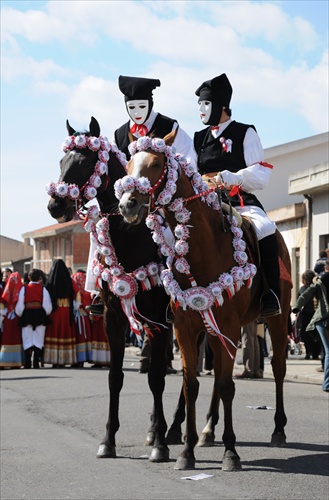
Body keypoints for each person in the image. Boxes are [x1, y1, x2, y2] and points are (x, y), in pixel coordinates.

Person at [193, 73, 280, 317]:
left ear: (221, 106)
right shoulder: (198, 138)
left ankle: (270, 293)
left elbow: (261, 173)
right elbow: (190, 170)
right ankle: (174, 298)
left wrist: (236, 177)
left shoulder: (245, 132)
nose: (200, 110)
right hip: (205, 201)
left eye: (205, 104)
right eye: (199, 105)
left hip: (238, 200)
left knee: (264, 228)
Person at [114, 75, 194, 160]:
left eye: (142, 106)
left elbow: (189, 157)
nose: (137, 112)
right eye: (131, 107)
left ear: (150, 104)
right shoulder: (118, 136)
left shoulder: (170, 127)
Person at [292, 259, 329, 392]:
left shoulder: (320, 281)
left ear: (326, 268)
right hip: (324, 319)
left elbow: (306, 294)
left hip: (322, 318)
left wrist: (296, 307)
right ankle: (327, 383)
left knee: (327, 350)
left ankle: (327, 383)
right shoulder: (321, 281)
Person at [15, 268, 52, 369]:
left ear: (28, 277)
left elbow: (20, 304)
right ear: (40, 277)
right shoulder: (43, 289)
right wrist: (45, 313)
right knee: (39, 338)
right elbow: (47, 305)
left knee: (27, 338)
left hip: (27, 314)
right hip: (39, 314)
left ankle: (28, 363)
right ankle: (36, 363)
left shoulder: (24, 288)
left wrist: (20, 313)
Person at [44, 259, 78, 368]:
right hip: (66, 309)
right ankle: (65, 359)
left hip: (54, 310)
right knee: (65, 332)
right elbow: (76, 294)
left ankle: (54, 360)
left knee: (54, 332)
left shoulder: (50, 281)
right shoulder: (69, 280)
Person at [295, 270, 321, 360]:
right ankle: (316, 353)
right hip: (316, 313)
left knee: (306, 334)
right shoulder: (317, 288)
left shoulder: (302, 289)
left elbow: (299, 301)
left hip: (305, 314)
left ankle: (308, 352)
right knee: (316, 334)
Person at [0, 272, 24, 369]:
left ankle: (5, 360)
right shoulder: (21, 290)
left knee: (7, 338)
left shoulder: (6, 290)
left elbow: (3, 302)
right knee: (17, 338)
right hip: (18, 316)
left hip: (7, 317)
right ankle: (17, 361)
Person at [71, 270, 92, 367]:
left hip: (77, 315)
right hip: (84, 315)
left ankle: (77, 359)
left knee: (78, 337)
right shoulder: (87, 292)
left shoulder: (76, 291)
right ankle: (82, 359)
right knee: (84, 337)